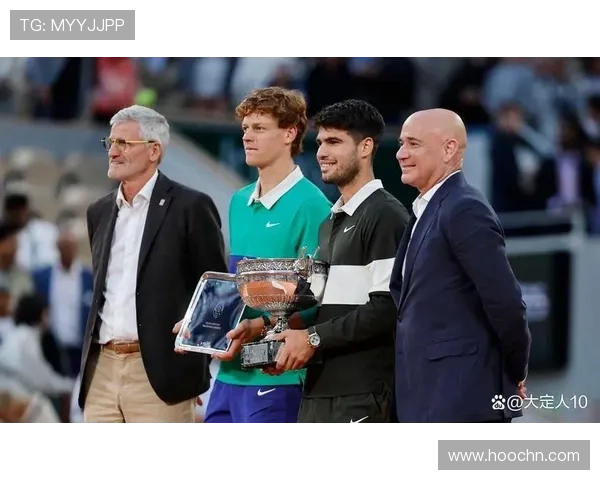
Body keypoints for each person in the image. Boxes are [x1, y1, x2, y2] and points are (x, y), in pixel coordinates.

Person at [175, 87, 332, 424]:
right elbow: (237, 287)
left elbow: (317, 301)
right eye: (245, 128)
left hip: (279, 376)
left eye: (259, 128)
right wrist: (199, 324)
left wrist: (257, 326)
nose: (247, 136)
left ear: (289, 133)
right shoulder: (239, 201)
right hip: (228, 375)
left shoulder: (313, 205)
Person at [79, 104, 228, 423]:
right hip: (100, 371)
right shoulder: (98, 211)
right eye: (111, 142)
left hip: (161, 375)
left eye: (123, 143)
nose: (113, 151)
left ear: (153, 150)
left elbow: (218, 291)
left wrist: (193, 371)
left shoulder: (191, 206)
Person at [271, 99, 410, 424]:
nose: (321, 152)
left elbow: (387, 307)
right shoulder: (329, 222)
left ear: (365, 147)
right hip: (318, 389)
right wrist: (277, 332)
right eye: (320, 142)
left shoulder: (386, 215)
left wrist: (312, 338)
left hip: (363, 392)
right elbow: (320, 309)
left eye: (334, 142)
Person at [390, 108, 531, 424]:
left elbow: (506, 303)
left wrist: (514, 372)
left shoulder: (464, 208)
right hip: (425, 402)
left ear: (448, 149)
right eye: (400, 144)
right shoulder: (426, 210)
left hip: (462, 405)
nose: (401, 153)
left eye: (413, 143)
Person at [32, 228, 94, 378]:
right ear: (57, 248)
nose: (67, 251)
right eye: (63, 247)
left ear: (76, 249)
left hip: (79, 348)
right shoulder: (43, 277)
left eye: (70, 247)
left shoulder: (88, 278)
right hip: (52, 348)